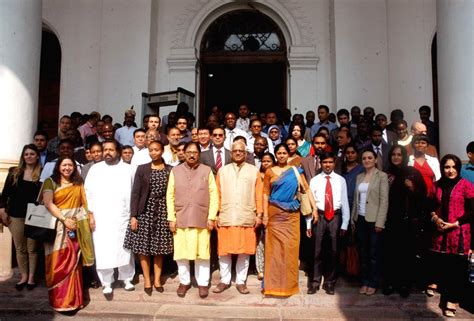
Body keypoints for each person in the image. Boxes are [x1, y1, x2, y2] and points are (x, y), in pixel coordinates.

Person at [262, 143, 317, 297]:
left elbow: (306, 189)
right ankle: (273, 286)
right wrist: (265, 214)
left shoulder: (296, 171)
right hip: (274, 215)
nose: (281, 155)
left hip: (292, 216)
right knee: (274, 252)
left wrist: (314, 209)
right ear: (275, 154)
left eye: (284, 153)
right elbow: (265, 194)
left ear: (288, 155)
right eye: (278, 153)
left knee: (290, 251)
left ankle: (289, 287)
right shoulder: (269, 172)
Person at [166, 142, 218, 298]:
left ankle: (203, 284)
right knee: (181, 254)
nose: (191, 155)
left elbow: (214, 195)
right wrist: (171, 218)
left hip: (201, 218)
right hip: (181, 218)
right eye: (188, 152)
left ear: (199, 154)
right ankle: (184, 282)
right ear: (183, 153)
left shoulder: (207, 170)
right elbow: (170, 195)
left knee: (202, 254)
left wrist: (211, 217)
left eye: (195, 152)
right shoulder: (175, 171)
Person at [42, 156, 95, 311]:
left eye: (70, 165)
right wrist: (65, 220)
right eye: (64, 165)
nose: (67, 168)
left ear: (74, 167)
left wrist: (84, 219)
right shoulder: (50, 182)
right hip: (56, 226)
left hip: (76, 225)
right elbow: (48, 203)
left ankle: (74, 301)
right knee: (57, 262)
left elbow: (84, 204)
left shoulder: (78, 183)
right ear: (58, 166)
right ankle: (59, 301)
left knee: (74, 263)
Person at [84, 140, 136, 295]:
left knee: (125, 248)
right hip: (101, 217)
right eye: (105, 149)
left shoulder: (129, 169)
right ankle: (106, 281)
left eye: (111, 150)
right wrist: (90, 214)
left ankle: (127, 278)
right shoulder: (95, 169)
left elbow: (135, 194)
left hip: (122, 216)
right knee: (103, 249)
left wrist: (134, 215)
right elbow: (88, 193)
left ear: (118, 151)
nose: (107, 152)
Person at [213, 141, 263, 295]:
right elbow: (217, 195)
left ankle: (241, 281)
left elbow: (259, 195)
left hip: (246, 216)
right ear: (231, 153)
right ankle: (224, 280)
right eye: (235, 151)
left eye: (241, 151)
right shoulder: (222, 171)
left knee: (244, 251)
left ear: (246, 153)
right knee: (224, 251)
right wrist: (215, 214)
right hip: (226, 216)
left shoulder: (254, 171)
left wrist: (259, 214)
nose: (238, 153)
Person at [124, 141, 173, 296]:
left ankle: (157, 279)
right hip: (145, 210)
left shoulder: (170, 169)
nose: (154, 153)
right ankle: (146, 279)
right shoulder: (142, 168)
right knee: (143, 247)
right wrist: (134, 216)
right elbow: (136, 193)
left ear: (162, 151)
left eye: (157, 150)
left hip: (163, 210)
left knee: (159, 247)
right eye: (151, 150)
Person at [429, 154, 474, 317]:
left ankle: (451, 300)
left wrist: (455, 223)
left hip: (460, 232)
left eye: (454, 167)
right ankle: (448, 295)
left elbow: (472, 211)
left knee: (458, 268)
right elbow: (430, 207)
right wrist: (436, 219)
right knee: (445, 267)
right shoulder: (436, 186)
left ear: (458, 168)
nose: (450, 170)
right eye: (447, 167)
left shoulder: (467, 186)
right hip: (441, 233)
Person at [383, 145, 427, 298]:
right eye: (393, 155)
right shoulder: (386, 174)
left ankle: (404, 284)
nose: (396, 157)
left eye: (399, 155)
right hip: (389, 219)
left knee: (405, 253)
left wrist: (412, 188)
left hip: (406, 220)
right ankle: (390, 282)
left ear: (404, 157)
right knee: (389, 252)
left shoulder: (412, 173)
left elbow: (423, 195)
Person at [0, 144, 42, 291]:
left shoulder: (42, 174)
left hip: (35, 216)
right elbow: (4, 194)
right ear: (23, 157)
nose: (29, 156)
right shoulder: (14, 173)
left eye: (32, 154)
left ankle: (31, 277)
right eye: (26, 154)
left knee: (33, 249)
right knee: (20, 248)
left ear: (37, 156)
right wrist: (2, 211)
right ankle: (23, 276)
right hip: (16, 216)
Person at [307, 152, 350, 295]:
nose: (327, 165)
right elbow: (309, 203)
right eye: (325, 162)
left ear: (334, 163)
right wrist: (308, 224)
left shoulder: (340, 180)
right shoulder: (314, 180)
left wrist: (344, 223)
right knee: (316, 251)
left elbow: (344, 202)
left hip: (335, 217)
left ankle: (330, 282)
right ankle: (314, 282)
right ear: (320, 163)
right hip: (318, 216)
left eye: (330, 162)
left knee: (333, 251)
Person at [351, 149, 389, 296]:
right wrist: (353, 219)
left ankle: (373, 282)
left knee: (374, 253)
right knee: (363, 252)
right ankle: (364, 281)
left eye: (369, 158)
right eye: (364, 158)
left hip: (374, 220)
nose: (367, 160)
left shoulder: (382, 176)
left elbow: (384, 201)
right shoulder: (359, 177)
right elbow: (356, 199)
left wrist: (380, 222)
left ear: (375, 160)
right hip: (360, 219)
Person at [255, 152, 276, 280]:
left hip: (274, 211)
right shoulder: (257, 176)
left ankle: (272, 267)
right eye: (264, 161)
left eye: (269, 161)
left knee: (273, 242)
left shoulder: (276, 175)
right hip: (260, 211)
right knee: (260, 242)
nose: (266, 163)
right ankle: (261, 269)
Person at [341, 143, 364, 212]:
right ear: (345, 155)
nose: (350, 155)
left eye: (353, 152)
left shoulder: (362, 169)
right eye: (348, 153)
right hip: (341, 203)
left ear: (357, 154)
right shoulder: (340, 168)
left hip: (355, 204)